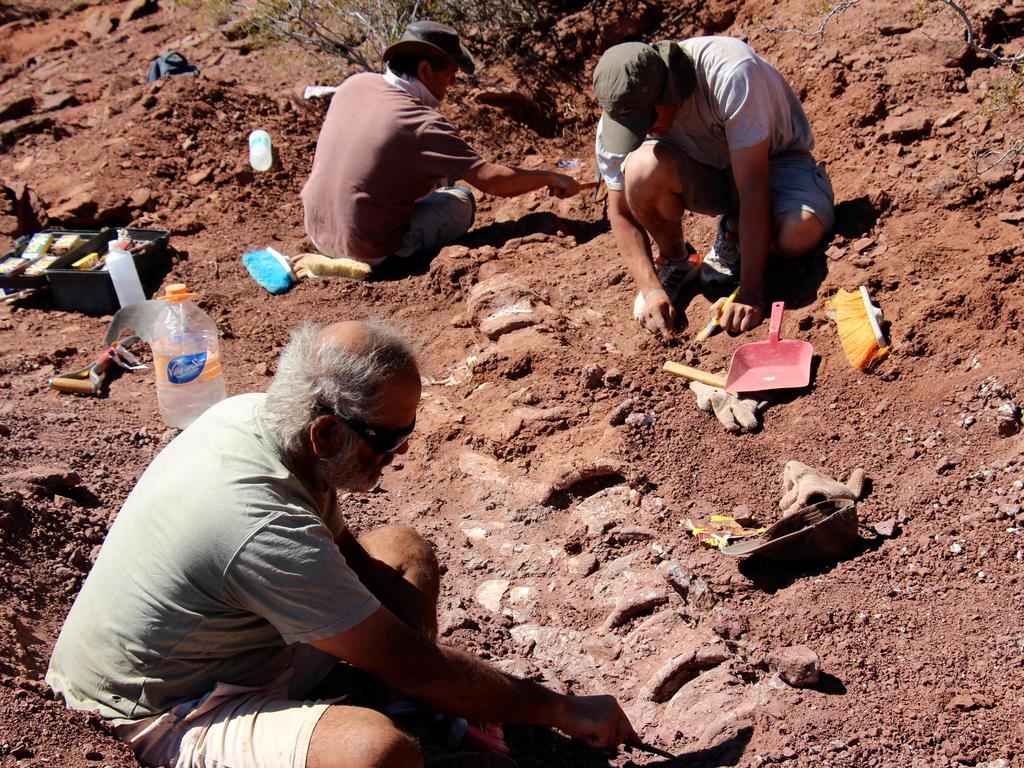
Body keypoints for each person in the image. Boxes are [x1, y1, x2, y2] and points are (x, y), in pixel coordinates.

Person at [46, 320, 635, 768]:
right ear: (326, 432)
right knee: (378, 753)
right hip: (162, 709)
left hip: (242, 649)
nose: (397, 455)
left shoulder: (258, 420)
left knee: (403, 550)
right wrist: (561, 708)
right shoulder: (259, 524)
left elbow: (343, 549)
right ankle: (404, 708)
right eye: (387, 441)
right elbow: (418, 664)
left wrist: (412, 660)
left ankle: (408, 702)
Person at [297, 21, 582, 278]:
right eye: (451, 72)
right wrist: (550, 177)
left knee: (431, 180)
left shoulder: (355, 84)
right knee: (461, 200)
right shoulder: (422, 124)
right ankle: (381, 260)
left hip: (317, 230)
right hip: (365, 248)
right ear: (424, 69)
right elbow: (494, 181)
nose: (453, 83)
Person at [592, 37, 835, 338]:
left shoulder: (729, 72)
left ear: (669, 91)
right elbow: (620, 212)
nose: (644, 131)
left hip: (776, 163)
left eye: (648, 120)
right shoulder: (619, 116)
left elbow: (754, 187)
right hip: (711, 174)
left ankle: (735, 231)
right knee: (641, 169)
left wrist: (750, 293)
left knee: (796, 236)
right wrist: (651, 289)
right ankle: (677, 261)